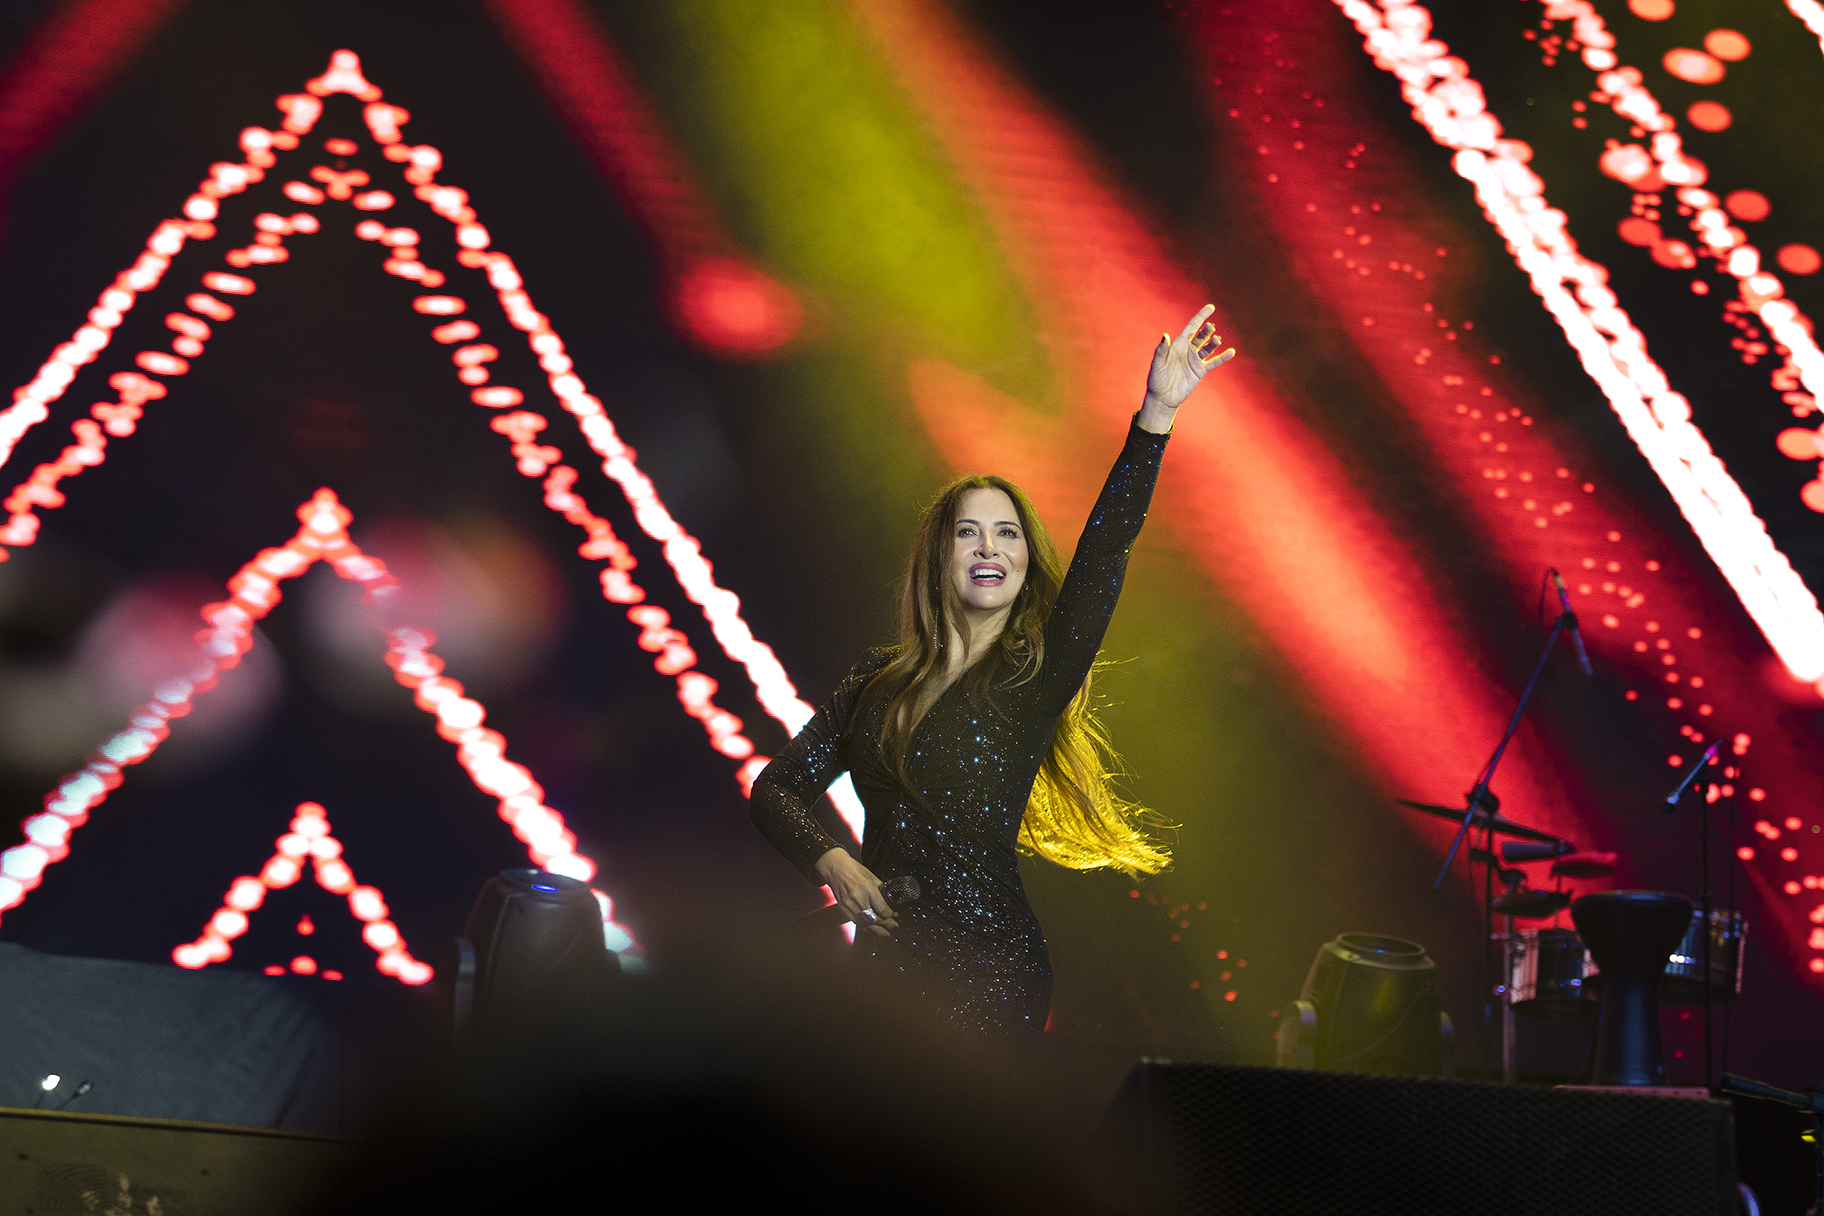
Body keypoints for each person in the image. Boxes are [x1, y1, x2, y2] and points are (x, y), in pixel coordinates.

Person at [751, 307, 1236, 1036]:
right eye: (968, 531)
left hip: (990, 974)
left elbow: (1105, 553)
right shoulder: (875, 682)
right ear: (940, 558)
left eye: (1007, 533)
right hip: (882, 979)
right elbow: (776, 789)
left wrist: (1156, 417)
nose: (989, 546)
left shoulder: (1034, 677)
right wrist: (836, 863)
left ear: (1023, 562)